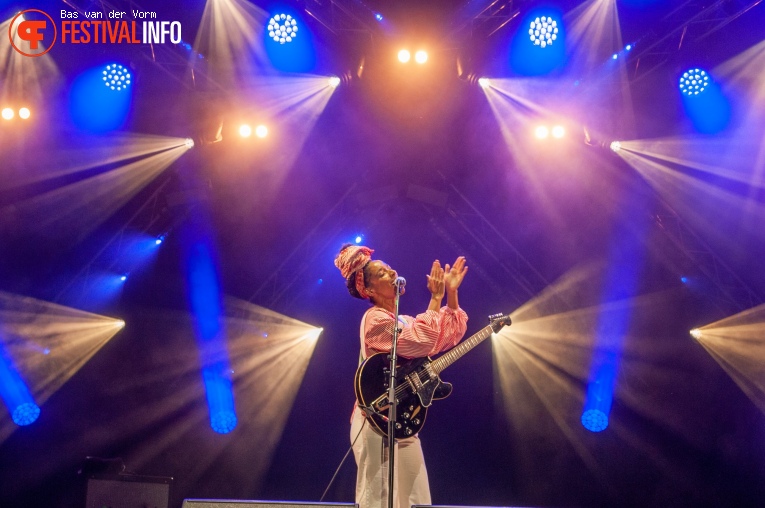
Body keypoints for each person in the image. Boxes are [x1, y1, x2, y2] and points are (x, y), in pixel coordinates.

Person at [334, 244, 469, 508]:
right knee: (379, 499)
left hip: (402, 418)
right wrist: (434, 299)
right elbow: (423, 340)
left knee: (417, 499)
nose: (392, 271)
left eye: (389, 267)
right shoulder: (374, 320)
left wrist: (451, 294)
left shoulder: (404, 320)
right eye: (383, 273)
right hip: (375, 420)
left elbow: (444, 336)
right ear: (369, 289)